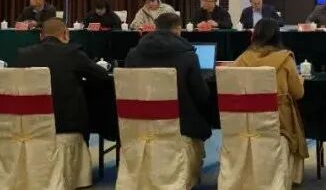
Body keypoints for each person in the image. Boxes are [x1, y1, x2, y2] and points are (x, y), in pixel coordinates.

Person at [232, 18, 308, 182]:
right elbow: (298, 94)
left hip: (247, 121)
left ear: (255, 35)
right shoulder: (285, 59)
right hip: (278, 122)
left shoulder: (242, 58)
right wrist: (300, 82)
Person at [16, 18, 110, 137]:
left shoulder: (24, 55)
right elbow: (102, 75)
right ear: (66, 34)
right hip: (67, 126)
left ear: (41, 36)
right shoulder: (72, 53)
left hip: (32, 126)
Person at [125, 13, 211, 142]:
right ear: (178, 29)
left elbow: (129, 90)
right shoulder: (189, 56)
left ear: (155, 28)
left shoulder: (133, 54)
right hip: (181, 126)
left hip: (141, 123)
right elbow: (202, 96)